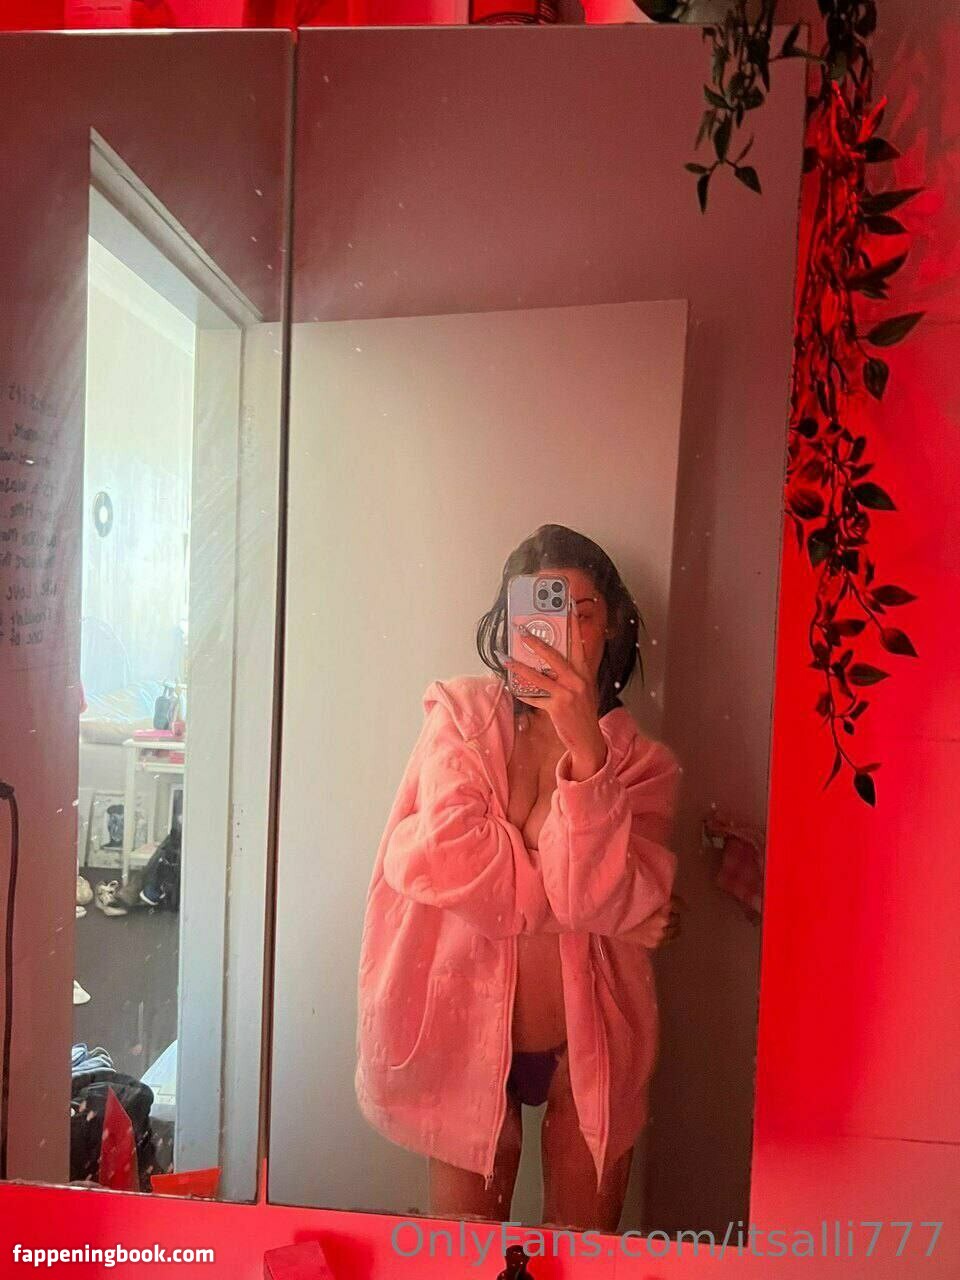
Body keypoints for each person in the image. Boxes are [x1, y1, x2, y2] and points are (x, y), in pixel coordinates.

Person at [355, 525, 683, 1230]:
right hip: (462, 1026)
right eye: (538, 612)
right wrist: (607, 902)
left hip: (592, 1040)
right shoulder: (463, 715)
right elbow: (447, 857)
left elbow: (584, 892)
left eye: (579, 612)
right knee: (465, 1261)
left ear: (612, 623)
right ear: (509, 622)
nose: (558, 633)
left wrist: (587, 753)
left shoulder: (642, 766)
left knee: (585, 1257)